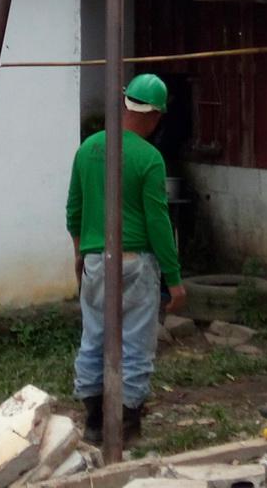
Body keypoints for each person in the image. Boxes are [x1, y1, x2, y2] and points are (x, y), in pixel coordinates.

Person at [67, 74, 185, 443]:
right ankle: (127, 425)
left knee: (94, 337)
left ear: (124, 103)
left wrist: (80, 254)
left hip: (95, 259)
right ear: (156, 116)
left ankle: (94, 423)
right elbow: (158, 222)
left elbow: (74, 211)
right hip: (136, 261)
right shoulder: (149, 158)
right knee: (135, 343)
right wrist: (174, 279)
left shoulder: (88, 149)